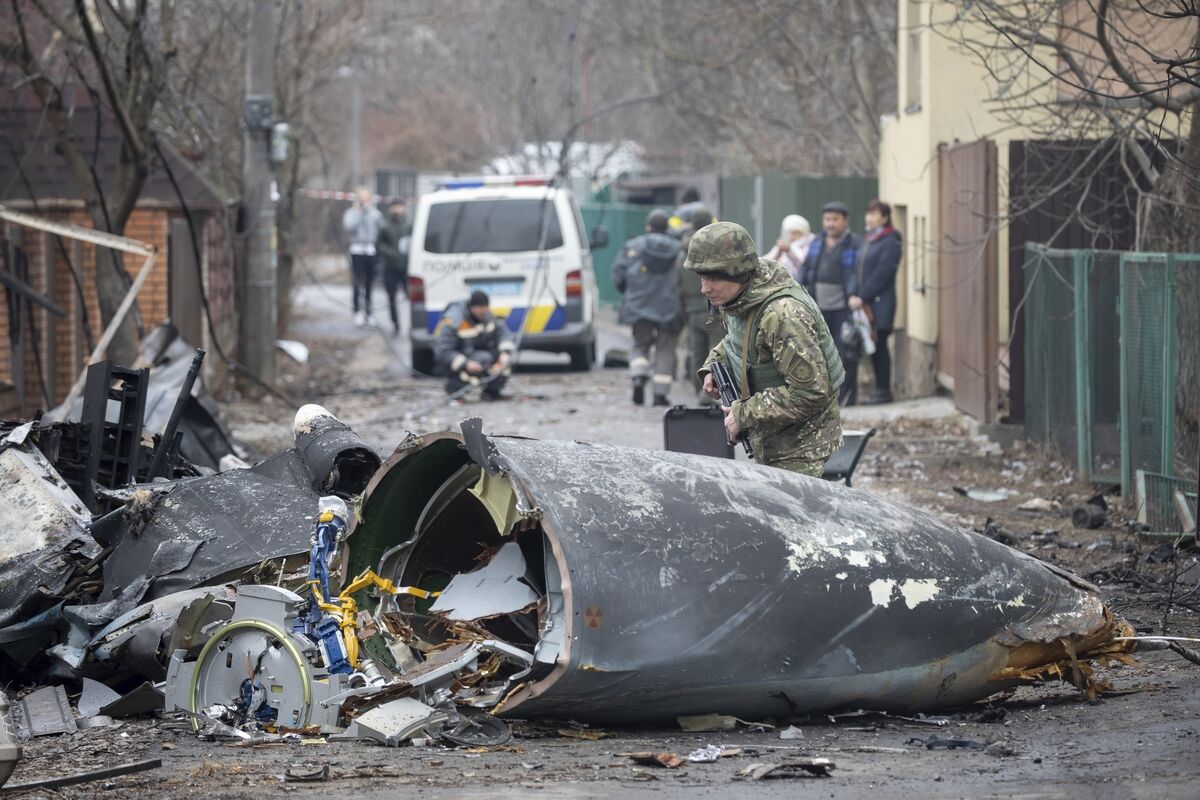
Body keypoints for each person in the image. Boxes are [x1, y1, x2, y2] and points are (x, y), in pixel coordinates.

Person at [687, 221, 844, 476]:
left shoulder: (782, 315)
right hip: (773, 438)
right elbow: (739, 342)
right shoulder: (742, 298)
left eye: (713, 277)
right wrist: (712, 366)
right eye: (702, 277)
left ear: (737, 271)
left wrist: (743, 414)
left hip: (801, 448)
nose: (705, 288)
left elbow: (811, 393)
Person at [613, 208, 684, 406]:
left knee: (640, 344)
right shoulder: (679, 250)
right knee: (665, 349)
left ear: (648, 226)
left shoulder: (632, 246)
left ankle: (638, 375)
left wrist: (629, 294)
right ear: (667, 227)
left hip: (639, 304)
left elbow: (619, 275)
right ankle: (660, 394)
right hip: (669, 307)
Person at [800, 201, 863, 406]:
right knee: (819, 353)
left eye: (835, 219)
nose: (830, 224)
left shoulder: (854, 243)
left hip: (843, 308)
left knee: (845, 353)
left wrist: (854, 294)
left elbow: (856, 274)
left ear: (845, 221)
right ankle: (825, 397)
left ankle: (847, 397)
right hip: (818, 307)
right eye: (827, 219)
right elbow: (806, 270)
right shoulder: (817, 241)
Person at [852, 199, 903, 405]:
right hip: (866, 303)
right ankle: (878, 389)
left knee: (880, 345)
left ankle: (883, 390)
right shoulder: (871, 239)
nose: (869, 218)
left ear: (885, 217)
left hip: (880, 303)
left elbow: (883, 272)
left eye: (874, 214)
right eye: (868, 213)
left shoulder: (891, 239)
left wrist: (862, 296)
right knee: (872, 346)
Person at [676, 207, 724, 402]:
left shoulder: (683, 254)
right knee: (717, 349)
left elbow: (677, 283)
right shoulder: (715, 250)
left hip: (692, 309)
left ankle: (699, 391)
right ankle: (714, 393)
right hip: (714, 307)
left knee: (697, 351)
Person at [433, 290, 515, 400]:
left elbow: (503, 333)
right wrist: (466, 364)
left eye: (486, 308)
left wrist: (505, 353)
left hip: (480, 355)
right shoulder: (454, 320)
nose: (485, 312)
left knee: (503, 362)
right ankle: (455, 389)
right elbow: (443, 351)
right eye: (481, 309)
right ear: (472, 307)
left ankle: (492, 392)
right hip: (460, 360)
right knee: (483, 359)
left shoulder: (487, 316)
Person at [341, 186, 384, 327]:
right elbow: (350, 227)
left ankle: (369, 312)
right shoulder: (351, 213)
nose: (364, 201)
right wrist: (359, 213)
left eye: (366, 198)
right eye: (361, 198)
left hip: (370, 250)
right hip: (357, 250)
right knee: (357, 282)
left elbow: (381, 229)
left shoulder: (375, 214)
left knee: (369, 284)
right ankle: (357, 311)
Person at [376, 199, 412, 337]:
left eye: (399, 207)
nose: (397, 210)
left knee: (411, 299)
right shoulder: (385, 226)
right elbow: (378, 245)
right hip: (390, 268)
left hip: (407, 268)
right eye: (394, 207)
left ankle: (412, 325)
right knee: (391, 298)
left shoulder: (409, 225)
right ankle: (395, 325)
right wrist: (389, 253)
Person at [763, 214, 815, 281]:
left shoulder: (811, 244)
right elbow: (766, 263)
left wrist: (789, 251)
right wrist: (779, 252)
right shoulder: (783, 245)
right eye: (789, 233)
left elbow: (804, 265)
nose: (792, 236)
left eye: (795, 233)